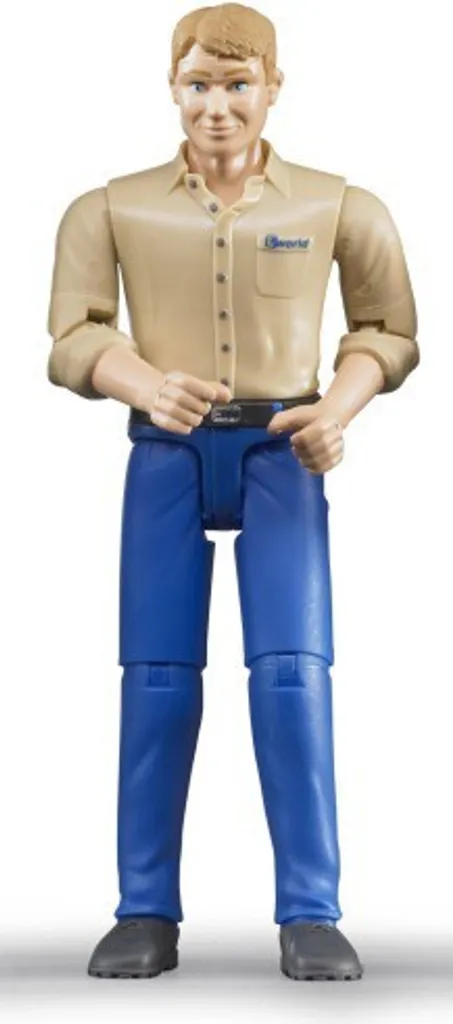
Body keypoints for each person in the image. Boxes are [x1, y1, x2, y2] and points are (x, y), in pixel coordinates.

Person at [47, 2, 418, 982]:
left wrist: (336, 409)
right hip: (166, 451)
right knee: (156, 680)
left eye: (237, 83)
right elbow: (75, 335)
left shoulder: (339, 206)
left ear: (273, 88)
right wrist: (143, 384)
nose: (217, 105)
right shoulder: (110, 208)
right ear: (172, 88)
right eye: (199, 83)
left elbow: (387, 329)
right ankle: (143, 907)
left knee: (294, 675)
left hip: (282, 452)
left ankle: (311, 910)